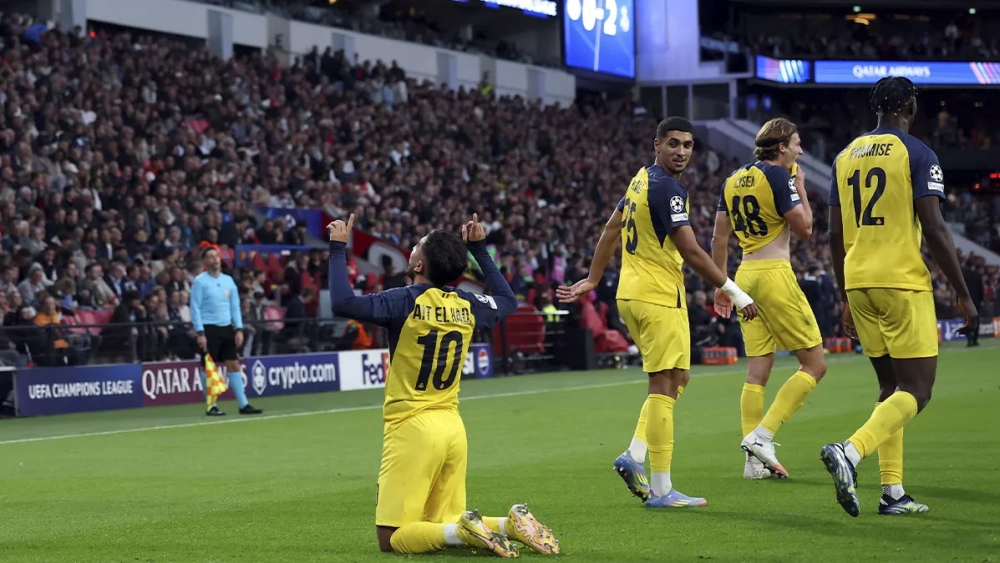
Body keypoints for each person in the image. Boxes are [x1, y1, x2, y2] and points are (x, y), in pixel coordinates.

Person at [328, 213, 559, 557]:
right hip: (453, 427)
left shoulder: (404, 300)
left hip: (412, 427)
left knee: (391, 537)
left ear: (419, 265)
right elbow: (508, 301)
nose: (412, 249)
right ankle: (511, 525)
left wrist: (337, 249)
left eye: (416, 247)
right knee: (444, 520)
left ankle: (467, 534)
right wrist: (480, 250)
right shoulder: (467, 303)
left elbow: (342, 303)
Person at [556, 117, 759, 509]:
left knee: (678, 377)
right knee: (664, 384)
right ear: (657, 144)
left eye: (688, 145)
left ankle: (634, 454)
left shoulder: (641, 180)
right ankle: (663, 490)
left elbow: (612, 229)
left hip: (634, 294)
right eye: (674, 144)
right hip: (657, 296)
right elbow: (692, 251)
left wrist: (594, 278)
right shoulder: (668, 188)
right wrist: (734, 291)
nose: (681, 151)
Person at [822, 76, 979, 517]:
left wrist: (844, 296)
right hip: (900, 280)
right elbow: (933, 225)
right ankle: (850, 452)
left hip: (858, 280)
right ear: (910, 106)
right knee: (918, 390)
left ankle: (892, 492)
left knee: (891, 387)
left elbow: (835, 233)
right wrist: (963, 295)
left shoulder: (843, 156)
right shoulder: (917, 152)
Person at [711, 118, 826, 480]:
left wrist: (723, 284)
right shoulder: (779, 177)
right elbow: (805, 229)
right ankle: (763, 436)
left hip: (744, 276)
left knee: (757, 370)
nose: (800, 151)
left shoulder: (732, 180)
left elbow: (718, 238)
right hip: (774, 274)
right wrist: (801, 189)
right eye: (796, 144)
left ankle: (753, 463)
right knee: (815, 364)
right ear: (781, 148)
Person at [190, 244, 263, 416]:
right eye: (210, 257)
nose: (214, 259)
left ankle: (243, 404)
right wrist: (200, 332)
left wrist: (238, 328)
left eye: (216, 256)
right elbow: (195, 308)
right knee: (208, 367)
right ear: (205, 261)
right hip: (209, 328)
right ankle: (211, 405)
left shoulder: (228, 281)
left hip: (226, 327)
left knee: (233, 364)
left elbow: (235, 307)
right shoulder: (200, 282)